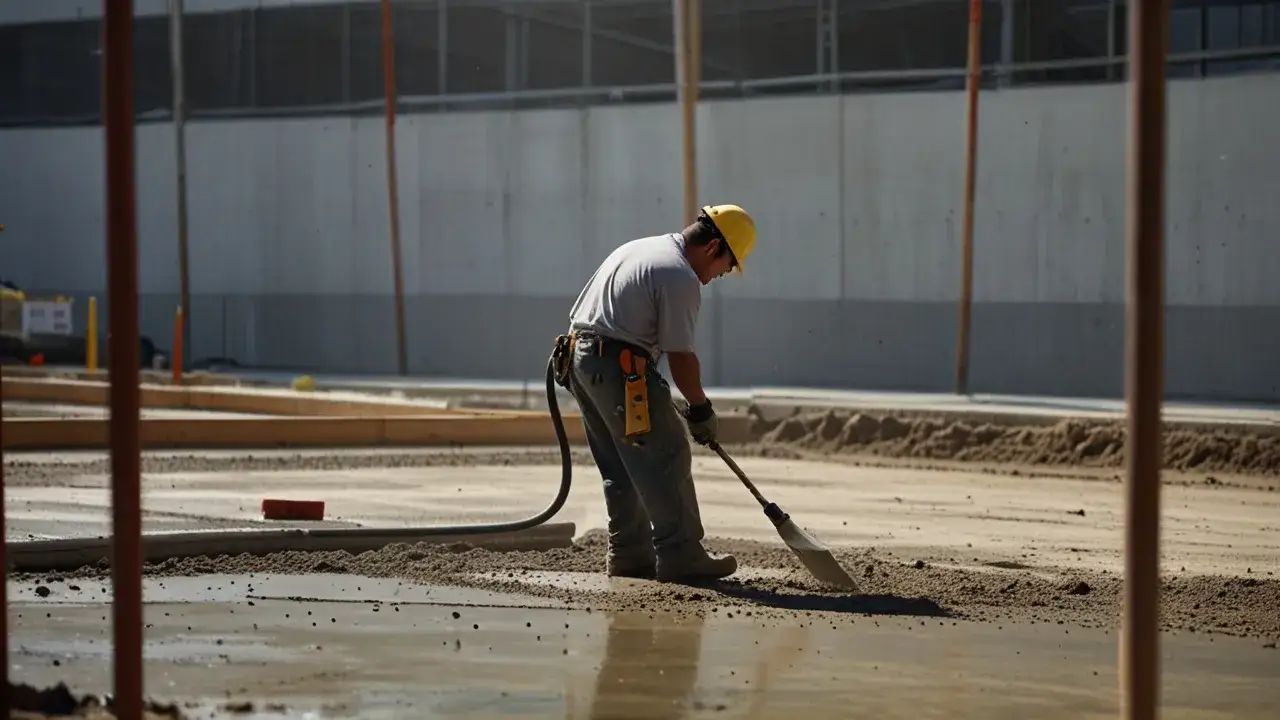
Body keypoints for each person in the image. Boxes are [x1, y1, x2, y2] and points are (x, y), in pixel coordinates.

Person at [553, 204, 757, 584]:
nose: (718, 276)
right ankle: (683, 556)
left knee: (622, 464)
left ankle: (630, 557)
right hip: (617, 366)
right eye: (726, 267)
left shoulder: (642, 248)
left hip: (580, 362)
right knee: (668, 452)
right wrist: (701, 409)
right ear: (713, 247)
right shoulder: (679, 275)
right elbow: (681, 358)